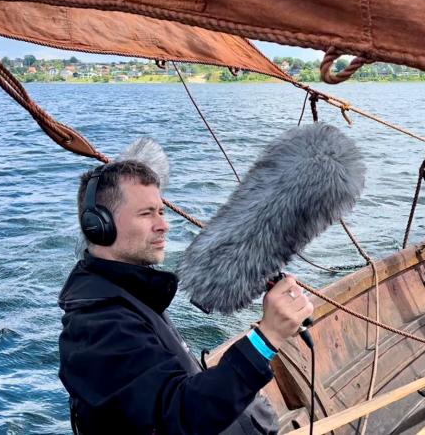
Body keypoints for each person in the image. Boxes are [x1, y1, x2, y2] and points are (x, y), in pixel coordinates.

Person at [58, 160, 314, 434]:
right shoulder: (97, 325)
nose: (163, 225)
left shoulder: (124, 292)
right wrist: (267, 338)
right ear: (98, 226)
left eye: (161, 211)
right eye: (146, 214)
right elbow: (177, 417)